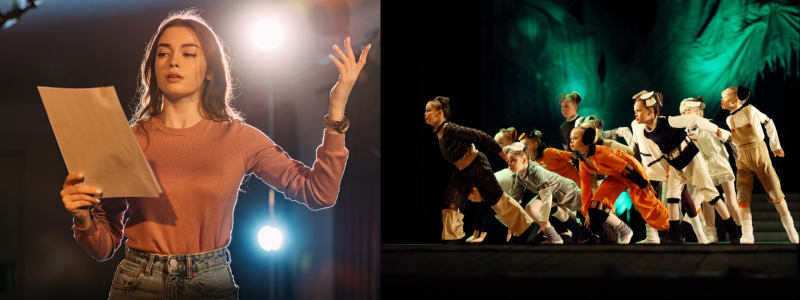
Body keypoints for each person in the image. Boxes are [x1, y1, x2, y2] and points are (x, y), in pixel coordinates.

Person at [60, 10, 369, 299]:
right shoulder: (129, 141)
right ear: (153, 69)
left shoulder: (238, 138)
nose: (173, 62)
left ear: (209, 71)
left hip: (208, 283)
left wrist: (336, 108)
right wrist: (83, 217)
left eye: (188, 54)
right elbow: (104, 246)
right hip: (138, 283)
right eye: (163, 53)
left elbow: (320, 193)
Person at [632, 90, 740, 244]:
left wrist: (714, 128)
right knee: (672, 197)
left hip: (691, 159)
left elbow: (694, 120)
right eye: (635, 111)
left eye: (639, 110)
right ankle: (675, 237)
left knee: (711, 195)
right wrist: (666, 166)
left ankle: (734, 232)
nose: (636, 114)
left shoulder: (667, 121)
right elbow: (661, 151)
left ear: (650, 111)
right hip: (675, 165)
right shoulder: (648, 132)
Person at [424, 96, 537, 244]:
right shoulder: (439, 133)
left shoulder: (450, 129)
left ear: (440, 113)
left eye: (428, 110)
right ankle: (454, 238)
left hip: (476, 165)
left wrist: (498, 150)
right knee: (452, 200)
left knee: (496, 199)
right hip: (461, 169)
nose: (425, 114)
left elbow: (478, 134)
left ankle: (529, 226)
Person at [569, 119, 671, 244]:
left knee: (646, 203)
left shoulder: (601, 153)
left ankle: (668, 229)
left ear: (586, 140)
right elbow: (585, 186)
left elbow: (626, 167)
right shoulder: (583, 160)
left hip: (632, 172)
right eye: (571, 138)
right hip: (616, 176)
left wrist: (644, 183)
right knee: (598, 198)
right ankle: (594, 237)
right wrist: (587, 212)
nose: (571, 142)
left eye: (575, 138)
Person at [720, 86, 798, 244]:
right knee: (742, 195)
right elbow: (735, 143)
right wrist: (737, 157)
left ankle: (791, 231)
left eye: (724, 96)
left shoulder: (750, 110)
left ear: (735, 100)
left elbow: (769, 122)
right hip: (742, 157)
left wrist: (775, 146)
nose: (721, 99)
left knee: (775, 190)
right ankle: (747, 235)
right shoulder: (729, 119)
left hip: (758, 152)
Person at [679, 96, 741, 243]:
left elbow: (731, 138)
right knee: (704, 200)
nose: (683, 114)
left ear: (698, 113)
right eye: (681, 111)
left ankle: (741, 231)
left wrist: (738, 157)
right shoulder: (685, 132)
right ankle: (710, 234)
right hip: (703, 169)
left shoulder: (710, 124)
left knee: (731, 200)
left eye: (687, 110)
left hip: (720, 164)